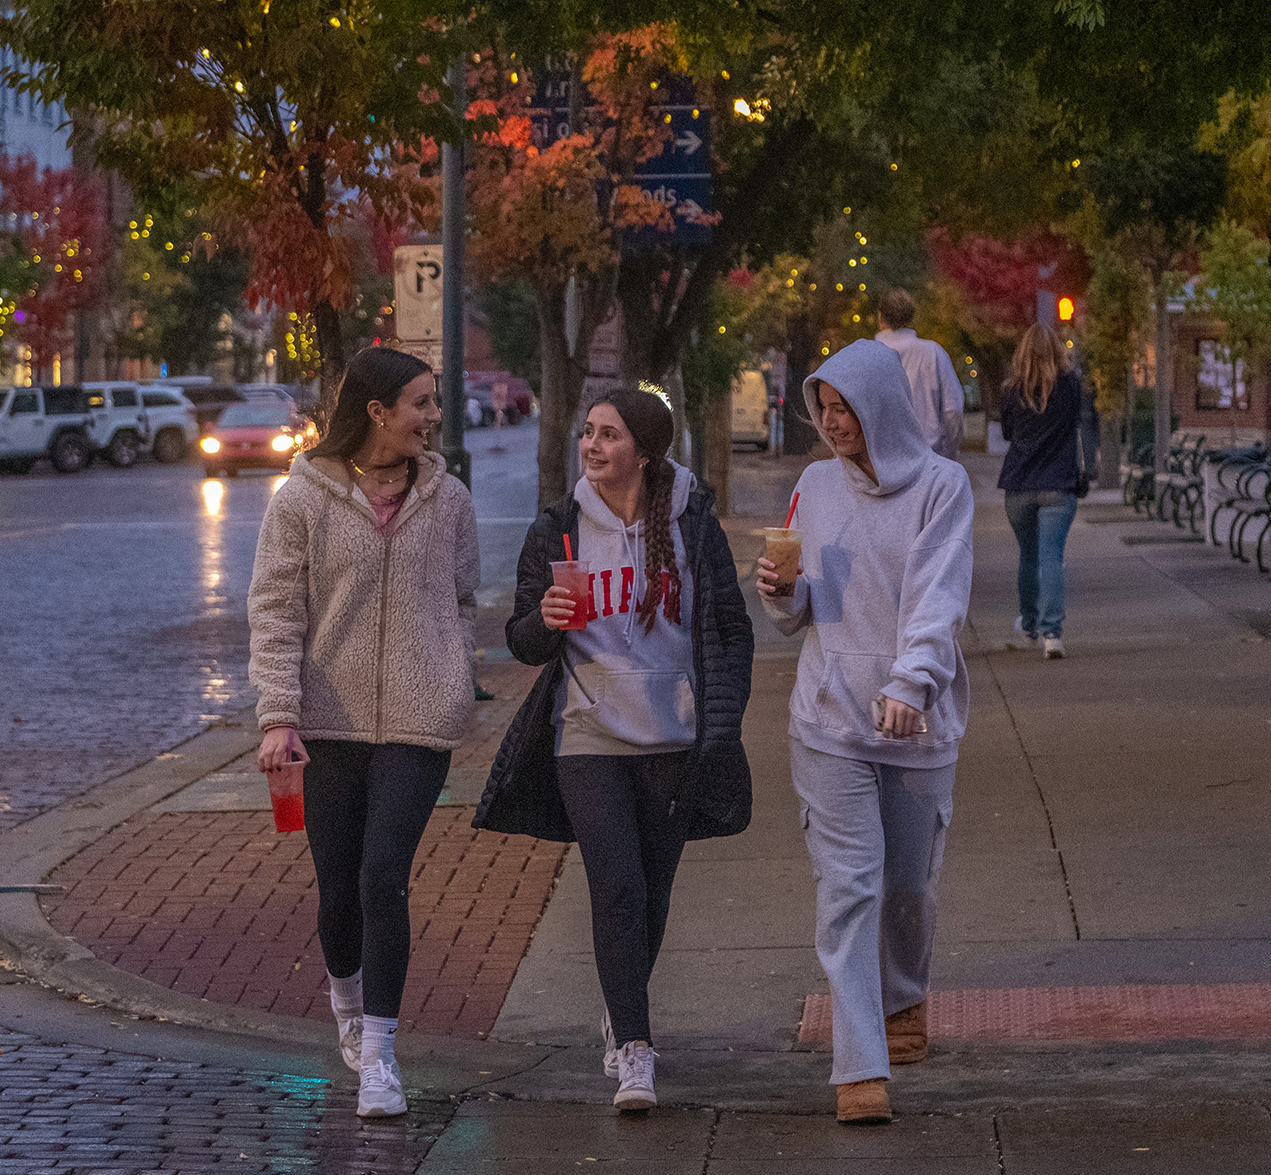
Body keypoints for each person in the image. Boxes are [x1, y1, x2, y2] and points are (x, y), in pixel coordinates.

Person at [475, 388, 754, 1112]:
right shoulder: (559, 528)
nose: (592, 447)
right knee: (618, 886)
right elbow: (522, 640)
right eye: (587, 433)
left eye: (608, 436)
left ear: (646, 451)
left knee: (652, 894)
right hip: (588, 730)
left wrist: (720, 717)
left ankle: (620, 1001)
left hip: (673, 730)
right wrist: (543, 618)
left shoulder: (694, 526)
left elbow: (729, 626)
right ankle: (634, 1048)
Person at [247, 347, 480, 1119]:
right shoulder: (303, 497)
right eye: (420, 403)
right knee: (340, 887)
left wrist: (451, 672)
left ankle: (379, 1053)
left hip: (419, 720)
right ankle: (345, 998)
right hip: (326, 721)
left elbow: (462, 595)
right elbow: (277, 609)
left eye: (434, 403)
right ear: (377, 411)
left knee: (386, 877)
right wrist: (278, 715)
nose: (433, 417)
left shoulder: (448, 499)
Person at [756, 339, 974, 1126]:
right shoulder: (813, 485)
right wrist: (784, 593)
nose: (834, 421)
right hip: (828, 719)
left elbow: (938, 597)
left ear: (881, 405)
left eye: (846, 406)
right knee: (849, 889)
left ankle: (903, 999)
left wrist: (912, 683)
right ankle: (860, 1065)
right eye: (825, 407)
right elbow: (803, 608)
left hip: (917, 720)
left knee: (907, 885)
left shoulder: (942, 488)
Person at [998, 322, 1085, 659]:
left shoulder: (1011, 390)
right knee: (1052, 557)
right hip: (1058, 485)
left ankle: (1030, 625)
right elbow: (1078, 422)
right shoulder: (1071, 386)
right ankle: (1052, 635)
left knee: (1028, 557)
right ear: (1056, 351)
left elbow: (1007, 433)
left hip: (1019, 484)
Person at [874, 288, 965, 460]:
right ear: (911, 317)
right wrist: (950, 454)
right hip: (928, 457)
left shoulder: (866, 354)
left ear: (880, 318)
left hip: (879, 460)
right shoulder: (933, 353)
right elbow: (953, 411)